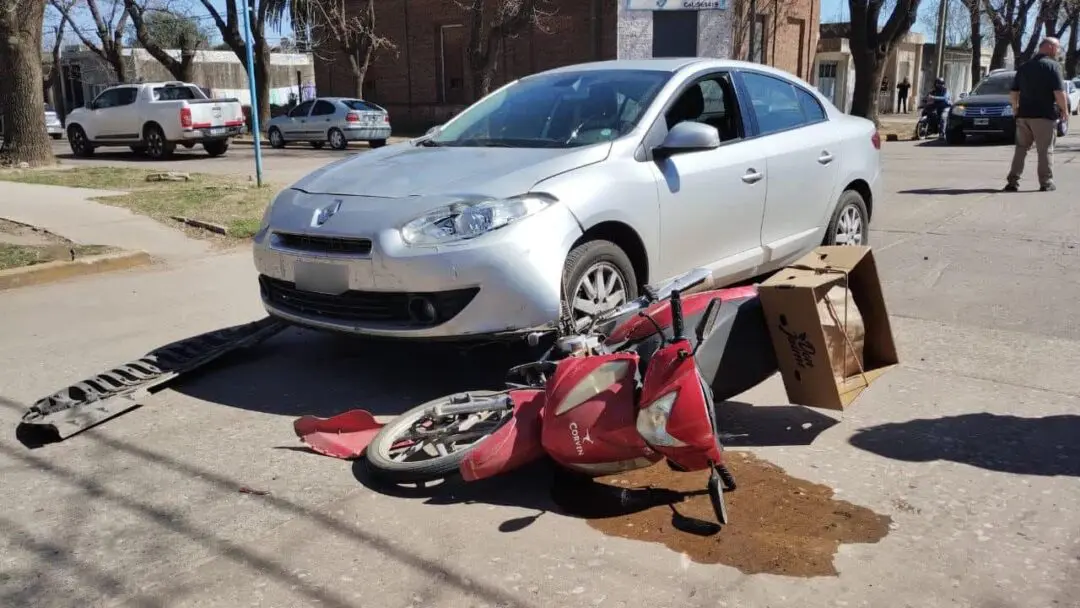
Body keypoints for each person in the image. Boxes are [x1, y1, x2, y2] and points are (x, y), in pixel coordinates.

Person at [1004, 37, 1069, 192]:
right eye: (1057, 48)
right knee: (1045, 150)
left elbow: (1014, 92)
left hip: (1024, 115)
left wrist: (1015, 109)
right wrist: (1065, 110)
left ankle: (1012, 182)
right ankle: (1046, 183)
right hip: (1044, 116)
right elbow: (1059, 93)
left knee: (1021, 149)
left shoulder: (1024, 67)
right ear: (1050, 47)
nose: (1058, 51)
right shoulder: (1053, 66)